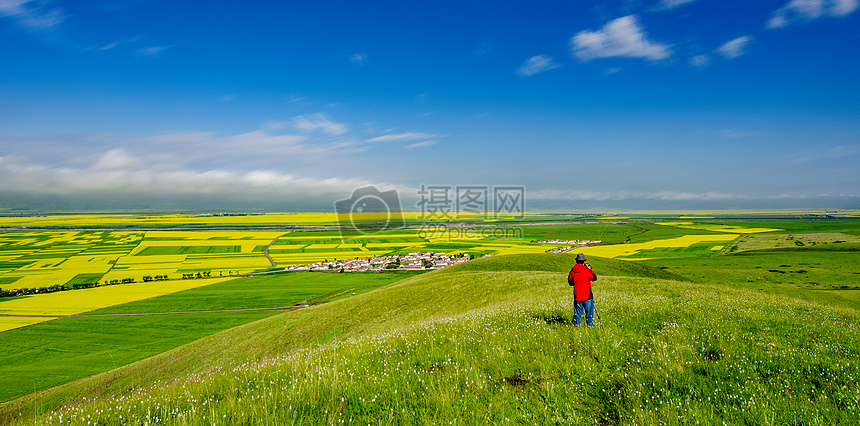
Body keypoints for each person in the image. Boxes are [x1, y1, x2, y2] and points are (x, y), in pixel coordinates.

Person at [567, 253, 598, 327]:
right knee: (589, 315)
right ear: (584, 261)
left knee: (578, 315)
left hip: (577, 296)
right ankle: (590, 328)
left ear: (576, 261)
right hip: (587, 296)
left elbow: (570, 282)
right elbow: (594, 278)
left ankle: (578, 328)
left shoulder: (573, 270)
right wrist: (590, 270)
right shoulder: (586, 270)